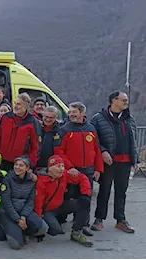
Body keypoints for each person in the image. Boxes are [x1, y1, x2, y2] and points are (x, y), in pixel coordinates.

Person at [90, 91, 137, 233]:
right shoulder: (98, 118)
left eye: (126, 100)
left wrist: (135, 160)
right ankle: (99, 219)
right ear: (113, 101)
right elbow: (94, 139)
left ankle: (120, 220)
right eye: (123, 100)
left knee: (121, 192)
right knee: (104, 191)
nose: (126, 102)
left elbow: (133, 141)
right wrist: (103, 151)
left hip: (125, 161)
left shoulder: (129, 119)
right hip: (108, 162)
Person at [54, 101, 103, 236]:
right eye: (70, 112)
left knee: (85, 199)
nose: (71, 115)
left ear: (82, 113)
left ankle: (82, 225)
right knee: (69, 198)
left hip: (87, 170)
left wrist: (98, 169)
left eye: (74, 112)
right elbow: (59, 151)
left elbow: (96, 150)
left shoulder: (91, 129)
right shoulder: (64, 129)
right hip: (71, 172)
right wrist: (69, 167)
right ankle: (61, 222)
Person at [35, 155, 93, 247]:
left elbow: (83, 177)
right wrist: (38, 223)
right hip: (47, 210)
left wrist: (85, 193)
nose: (61, 169)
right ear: (50, 168)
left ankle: (76, 233)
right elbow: (38, 203)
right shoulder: (41, 181)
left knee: (84, 202)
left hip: (60, 206)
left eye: (62, 166)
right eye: (58, 166)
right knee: (55, 231)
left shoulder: (64, 174)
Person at [0, 156, 48, 250]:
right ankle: (9, 229)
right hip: (9, 213)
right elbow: (6, 202)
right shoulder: (7, 179)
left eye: (21, 165)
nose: (17, 167)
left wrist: (23, 216)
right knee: (16, 245)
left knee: (43, 228)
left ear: (27, 168)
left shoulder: (31, 181)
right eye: (16, 164)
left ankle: (23, 231)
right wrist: (18, 219)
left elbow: (30, 201)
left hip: (23, 210)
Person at [0, 93, 41, 171]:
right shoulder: (6, 117)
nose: (15, 106)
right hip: (1, 161)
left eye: (18, 104)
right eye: (14, 103)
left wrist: (30, 164)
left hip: (19, 164)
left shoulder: (33, 123)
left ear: (26, 106)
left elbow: (35, 147)